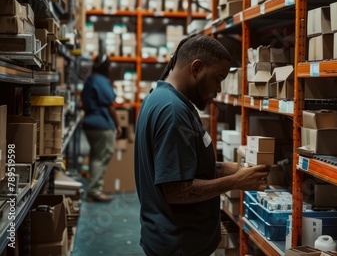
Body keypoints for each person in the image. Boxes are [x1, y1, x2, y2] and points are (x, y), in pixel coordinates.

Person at [135, 34, 270, 256]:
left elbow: (187, 164)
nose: (218, 90)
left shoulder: (164, 99)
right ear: (196, 68)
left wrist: (235, 169)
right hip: (178, 245)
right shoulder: (173, 112)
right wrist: (235, 182)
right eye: (218, 78)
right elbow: (177, 190)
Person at [81, 54, 122, 202]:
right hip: (101, 124)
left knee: (95, 156)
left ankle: (93, 187)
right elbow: (110, 106)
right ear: (106, 68)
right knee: (102, 156)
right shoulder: (101, 81)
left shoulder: (90, 80)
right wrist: (118, 124)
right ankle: (95, 190)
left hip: (89, 124)